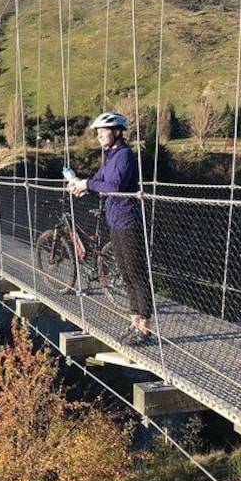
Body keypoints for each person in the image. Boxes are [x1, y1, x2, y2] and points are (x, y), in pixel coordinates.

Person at [70, 112, 155, 346]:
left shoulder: (125, 155)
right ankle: (134, 322)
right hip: (115, 221)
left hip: (129, 222)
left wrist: (88, 184)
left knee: (136, 274)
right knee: (125, 275)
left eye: (102, 131)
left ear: (117, 131)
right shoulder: (109, 156)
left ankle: (145, 330)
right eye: (96, 132)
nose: (98, 135)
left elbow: (114, 185)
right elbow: (99, 180)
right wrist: (82, 186)